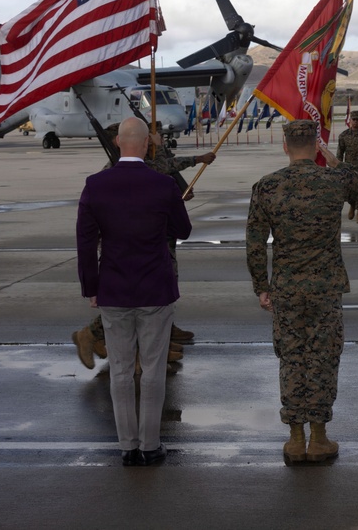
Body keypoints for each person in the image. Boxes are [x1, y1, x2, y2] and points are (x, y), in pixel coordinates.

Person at [246, 119, 358, 464]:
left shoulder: (267, 185)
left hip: (287, 288)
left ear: (285, 146)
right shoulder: (333, 180)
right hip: (325, 287)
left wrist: (262, 287)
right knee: (323, 358)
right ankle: (319, 437)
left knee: (292, 358)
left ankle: (296, 439)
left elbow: (255, 243)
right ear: (317, 146)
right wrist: (338, 163)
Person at [76, 117, 192, 466]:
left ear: (116, 143)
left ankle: (127, 446)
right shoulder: (163, 184)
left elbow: (85, 243)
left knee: (121, 370)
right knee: (153, 369)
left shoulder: (96, 184)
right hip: (155, 287)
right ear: (145, 144)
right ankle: (150, 445)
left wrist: (91, 287)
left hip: (113, 288)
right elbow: (183, 229)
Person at [71, 128, 215, 370]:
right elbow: (160, 170)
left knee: (154, 297)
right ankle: (96, 336)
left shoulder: (137, 163)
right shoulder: (123, 168)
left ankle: (159, 344)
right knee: (137, 302)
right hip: (135, 247)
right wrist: (195, 159)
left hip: (157, 240)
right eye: (147, 138)